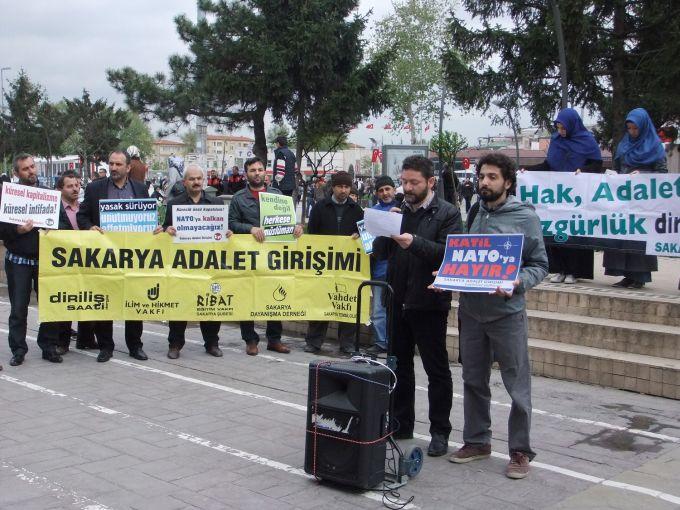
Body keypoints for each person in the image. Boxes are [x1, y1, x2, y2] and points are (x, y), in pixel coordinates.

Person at [449, 152, 548, 479]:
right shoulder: (475, 211)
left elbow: (540, 265)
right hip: (472, 313)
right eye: (481, 177)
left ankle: (520, 451)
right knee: (473, 380)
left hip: (507, 314)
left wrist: (519, 283)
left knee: (517, 386)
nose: (485, 183)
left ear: (507, 181)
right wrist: (448, 274)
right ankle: (478, 441)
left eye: (492, 177)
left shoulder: (525, 217)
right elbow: (467, 257)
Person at [372, 155, 462, 457]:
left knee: (436, 369)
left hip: (429, 301)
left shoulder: (447, 213)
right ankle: (401, 422)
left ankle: (440, 431)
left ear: (430, 182)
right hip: (397, 298)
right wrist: (385, 226)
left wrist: (415, 243)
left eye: (414, 183)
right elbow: (380, 253)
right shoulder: (398, 209)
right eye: (404, 181)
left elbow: (450, 253)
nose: (407, 188)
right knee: (399, 365)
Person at [76, 150, 150, 363]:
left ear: (128, 168)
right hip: (105, 256)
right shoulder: (95, 188)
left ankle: (135, 346)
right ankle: (106, 346)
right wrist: (90, 227)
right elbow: (82, 215)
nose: (114, 168)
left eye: (118, 164)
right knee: (105, 302)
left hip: (133, 257)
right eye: (111, 163)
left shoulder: (141, 189)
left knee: (134, 302)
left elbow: (147, 218)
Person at [228, 156, 301, 355]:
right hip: (248, 256)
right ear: (246, 174)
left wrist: (296, 229)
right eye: (253, 170)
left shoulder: (277, 195)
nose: (257, 173)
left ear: (265, 172)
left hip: (273, 256)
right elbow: (232, 224)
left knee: (275, 295)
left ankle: (274, 339)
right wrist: (250, 229)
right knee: (247, 296)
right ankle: (250, 340)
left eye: (260, 169)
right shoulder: (238, 198)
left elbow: (289, 222)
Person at [156, 164, 229, 359]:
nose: (196, 182)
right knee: (179, 304)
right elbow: (164, 229)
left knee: (210, 305)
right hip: (183, 264)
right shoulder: (174, 204)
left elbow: (224, 233)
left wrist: (227, 233)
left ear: (203, 180)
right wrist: (167, 231)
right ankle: (175, 344)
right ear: (184, 182)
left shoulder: (216, 204)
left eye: (199, 178)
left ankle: (212, 343)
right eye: (192, 179)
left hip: (208, 264)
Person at [526, 108, 602, 284]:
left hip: (578, 197)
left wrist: (582, 171)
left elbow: (596, 165)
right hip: (558, 195)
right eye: (558, 127)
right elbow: (549, 165)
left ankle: (575, 271)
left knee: (575, 232)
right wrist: (527, 172)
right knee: (557, 232)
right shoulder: (557, 141)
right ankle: (560, 269)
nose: (561, 131)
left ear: (572, 125)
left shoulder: (587, 141)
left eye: (563, 128)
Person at [0, 153, 62, 365]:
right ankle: (18, 349)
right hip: (19, 260)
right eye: (26, 169)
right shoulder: (9, 196)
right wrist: (17, 230)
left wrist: (51, 227)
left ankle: (49, 346)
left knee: (49, 305)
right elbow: (2, 230)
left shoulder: (48, 195)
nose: (31, 171)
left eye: (33, 166)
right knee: (19, 308)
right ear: (16, 173)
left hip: (45, 260)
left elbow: (60, 224)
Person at [603, 108, 668, 289]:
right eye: (629, 128)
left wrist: (643, 174)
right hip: (623, 199)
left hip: (643, 202)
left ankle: (640, 276)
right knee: (622, 235)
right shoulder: (624, 144)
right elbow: (618, 166)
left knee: (640, 237)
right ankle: (625, 274)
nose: (632, 132)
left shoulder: (654, 146)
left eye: (635, 129)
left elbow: (662, 173)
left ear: (644, 127)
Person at [304, 171, 364, 356]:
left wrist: (359, 235)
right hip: (324, 265)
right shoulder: (320, 207)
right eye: (340, 186)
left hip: (347, 266)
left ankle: (347, 344)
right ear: (333, 187)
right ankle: (314, 342)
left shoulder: (357, 210)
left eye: (347, 187)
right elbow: (312, 235)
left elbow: (364, 235)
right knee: (320, 302)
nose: (343, 190)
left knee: (348, 304)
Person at [54, 171, 98, 355]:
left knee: (87, 300)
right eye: (70, 186)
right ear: (60, 189)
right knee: (67, 302)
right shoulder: (54, 210)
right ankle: (62, 342)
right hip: (64, 264)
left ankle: (86, 338)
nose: (75, 189)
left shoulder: (84, 207)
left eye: (77, 185)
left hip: (86, 262)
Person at [365, 175, 399, 356]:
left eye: (388, 189)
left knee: (396, 310)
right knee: (378, 310)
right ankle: (380, 342)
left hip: (399, 270)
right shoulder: (372, 213)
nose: (385, 193)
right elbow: (367, 239)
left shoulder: (404, 209)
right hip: (379, 270)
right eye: (381, 190)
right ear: (376, 193)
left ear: (394, 189)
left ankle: (396, 342)